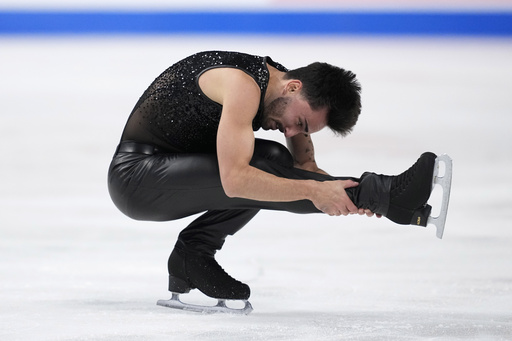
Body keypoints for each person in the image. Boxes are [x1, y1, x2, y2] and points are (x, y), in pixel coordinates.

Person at [108, 50, 436, 305]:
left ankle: (191, 257)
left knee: (275, 157)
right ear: (294, 87)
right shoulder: (242, 86)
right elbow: (236, 181)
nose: (291, 131)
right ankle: (389, 195)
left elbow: (303, 165)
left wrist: (327, 185)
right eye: (300, 123)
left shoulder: (277, 82)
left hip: (173, 164)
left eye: (302, 130)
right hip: (137, 177)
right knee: (256, 170)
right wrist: (326, 192)